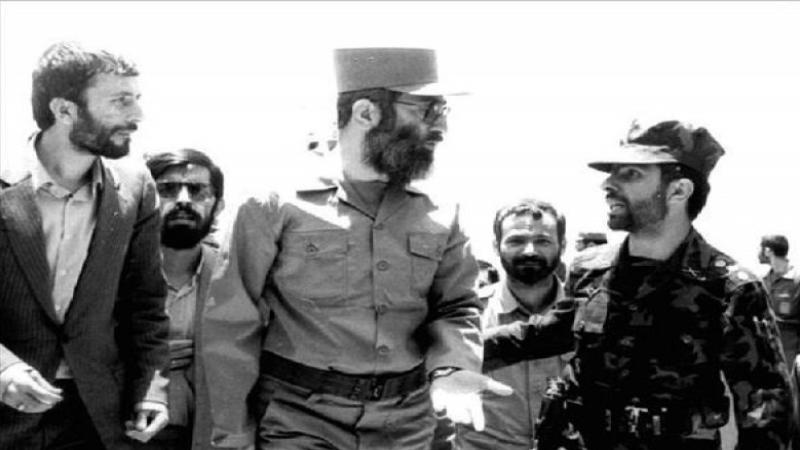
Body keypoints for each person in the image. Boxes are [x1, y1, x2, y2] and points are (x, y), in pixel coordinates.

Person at [202, 47, 511, 449]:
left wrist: (452, 367)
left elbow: (456, 307)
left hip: (406, 425)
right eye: (426, 110)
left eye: (442, 111)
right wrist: (233, 435)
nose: (441, 126)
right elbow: (231, 323)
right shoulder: (273, 204)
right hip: (298, 421)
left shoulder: (442, 211)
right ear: (366, 113)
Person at [562, 119, 791, 449]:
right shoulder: (588, 270)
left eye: (631, 174)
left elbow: (767, 414)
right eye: (612, 172)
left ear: (679, 191)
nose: (607, 184)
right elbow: (549, 338)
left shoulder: (730, 288)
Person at [0, 41, 169, 449]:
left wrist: (151, 390)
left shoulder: (135, 187)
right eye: (120, 101)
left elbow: (145, 304)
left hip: (96, 417)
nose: (137, 115)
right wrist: (3, 369)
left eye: (137, 99)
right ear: (64, 110)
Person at [455, 199, 574, 449]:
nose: (529, 250)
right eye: (516, 241)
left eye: (542, 241)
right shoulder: (465, 315)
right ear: (496, 246)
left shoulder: (587, 315)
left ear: (562, 246)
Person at [144, 149, 227, 449]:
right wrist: (144, 356)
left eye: (196, 190)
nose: (183, 200)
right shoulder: (112, 271)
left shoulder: (234, 276)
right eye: (167, 189)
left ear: (218, 205)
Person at [759, 235, 800, 366]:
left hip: (789, 352)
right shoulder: (763, 281)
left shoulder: (796, 281)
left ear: (768, 251)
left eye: (760, 248)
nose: (758, 253)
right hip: (766, 351)